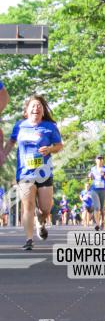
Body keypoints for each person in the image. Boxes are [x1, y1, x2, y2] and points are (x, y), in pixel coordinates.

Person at [0, 94, 63, 251]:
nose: (36, 108)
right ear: (26, 111)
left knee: (46, 208)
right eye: (33, 106)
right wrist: (3, 155)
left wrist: (50, 149)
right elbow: (11, 142)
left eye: (39, 106)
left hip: (44, 173)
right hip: (25, 173)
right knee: (27, 206)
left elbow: (59, 145)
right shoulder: (19, 126)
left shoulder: (49, 127)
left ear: (42, 111)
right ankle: (29, 239)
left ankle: (41, 221)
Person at [88, 155, 105, 231]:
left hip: (103, 190)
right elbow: (90, 177)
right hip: (94, 190)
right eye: (98, 159)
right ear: (96, 160)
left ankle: (103, 222)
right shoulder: (93, 169)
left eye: (101, 159)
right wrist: (90, 176)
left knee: (102, 209)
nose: (100, 160)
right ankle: (97, 224)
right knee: (97, 207)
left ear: (103, 161)